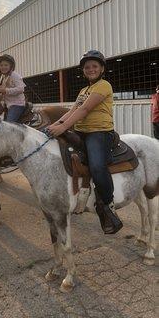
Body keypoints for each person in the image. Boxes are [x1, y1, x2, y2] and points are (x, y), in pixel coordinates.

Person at [48, 50, 123, 235]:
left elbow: (86, 109)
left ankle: (107, 203)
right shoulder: (83, 91)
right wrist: (53, 126)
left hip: (99, 133)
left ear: (102, 69)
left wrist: (63, 127)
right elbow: (72, 111)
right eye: (87, 67)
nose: (90, 69)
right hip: (81, 131)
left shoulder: (104, 85)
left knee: (97, 166)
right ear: (83, 70)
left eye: (94, 66)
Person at [0, 54, 26, 122]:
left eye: (6, 65)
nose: (3, 67)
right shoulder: (3, 78)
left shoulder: (14, 75)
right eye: (1, 65)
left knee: (9, 125)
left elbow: (21, 89)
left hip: (17, 105)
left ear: (11, 66)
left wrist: (6, 90)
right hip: (7, 105)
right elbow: (2, 94)